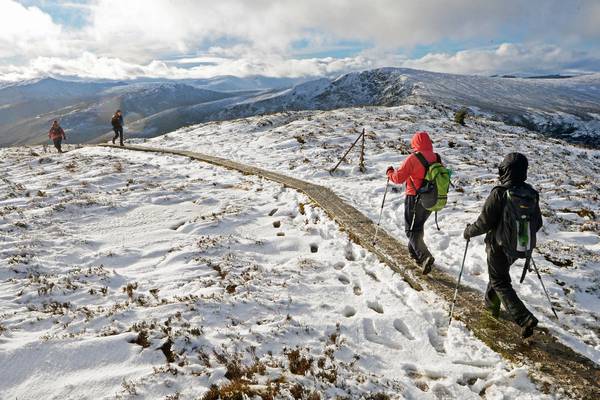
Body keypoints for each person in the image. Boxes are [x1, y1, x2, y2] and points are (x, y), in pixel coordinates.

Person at [463, 153, 542, 338]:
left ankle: (524, 318)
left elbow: (484, 222)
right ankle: (491, 307)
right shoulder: (530, 193)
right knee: (497, 275)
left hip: (498, 245)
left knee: (500, 281)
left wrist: (468, 232)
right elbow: (537, 223)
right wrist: (519, 236)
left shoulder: (499, 192)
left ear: (505, 170)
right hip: (518, 247)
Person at [386, 131, 441, 274]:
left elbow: (398, 178)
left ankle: (425, 256)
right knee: (417, 227)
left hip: (415, 198)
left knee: (410, 230)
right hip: (431, 199)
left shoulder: (413, 158)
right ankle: (415, 254)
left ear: (415, 143)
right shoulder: (436, 157)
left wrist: (389, 172)